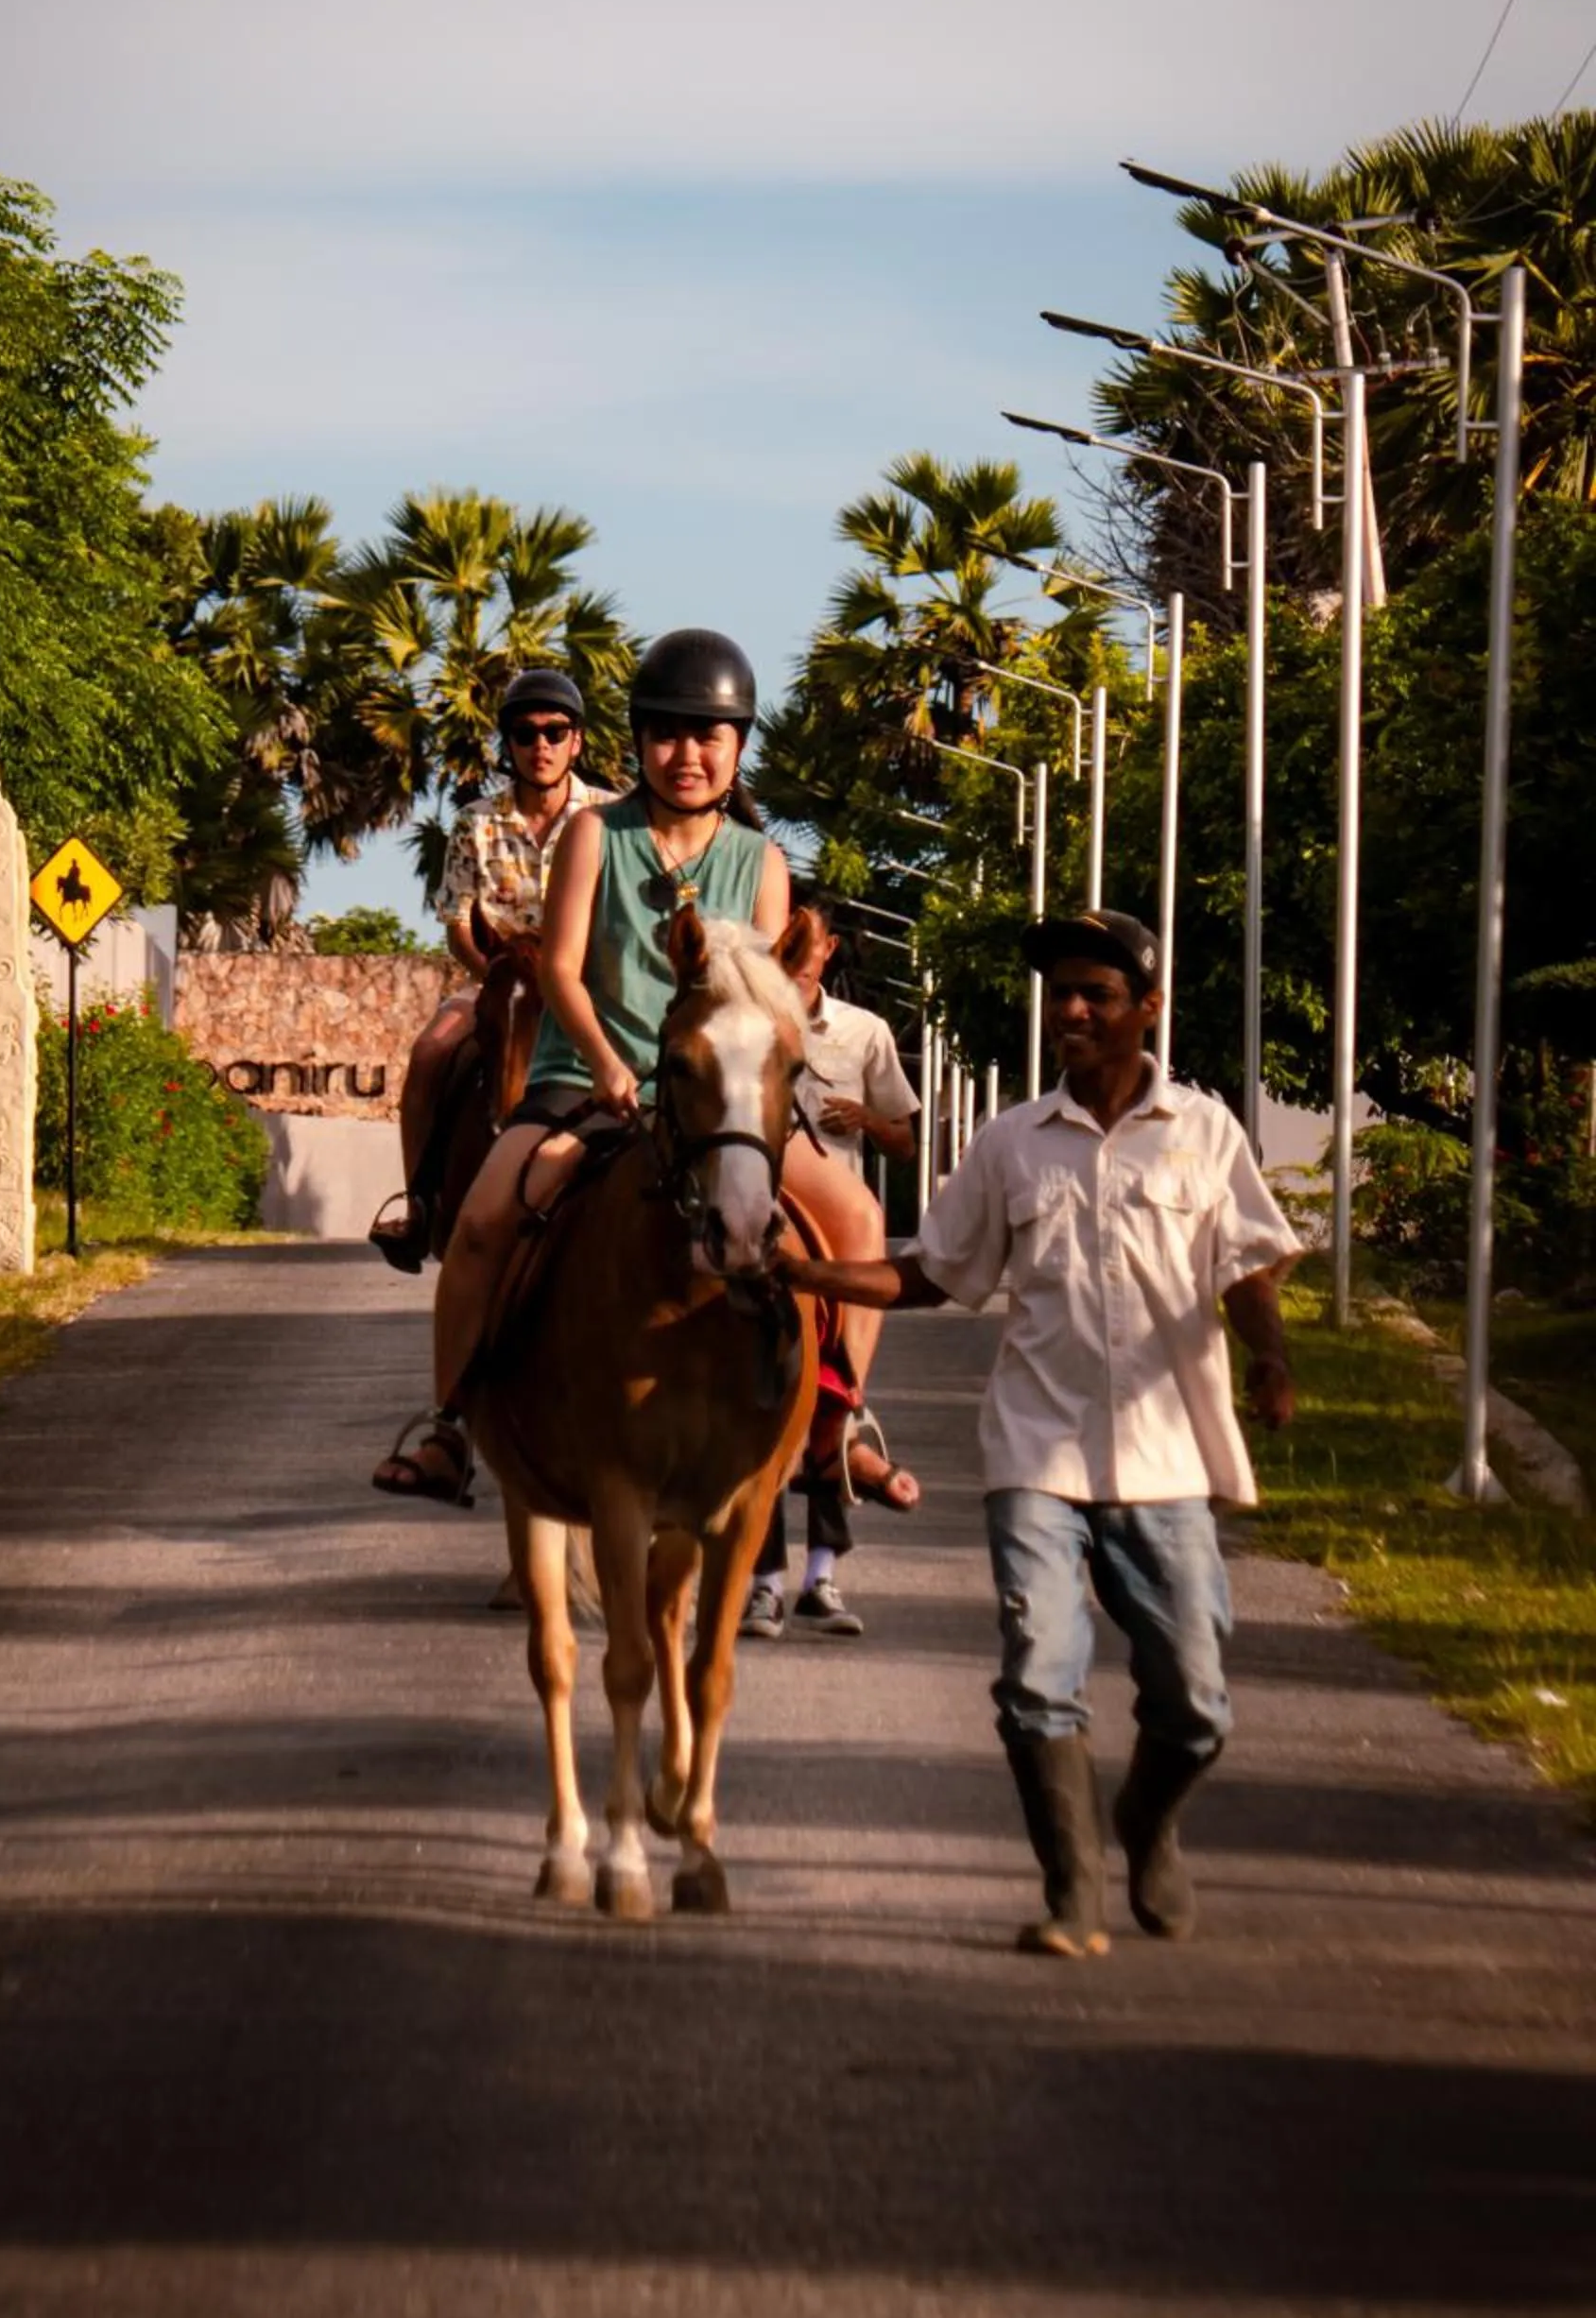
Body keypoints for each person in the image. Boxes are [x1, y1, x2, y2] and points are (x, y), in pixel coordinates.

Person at [775, 907, 1298, 1956]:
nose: (1068, 1011)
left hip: (1164, 1456)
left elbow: (1245, 1264)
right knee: (1036, 1670)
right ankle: (1071, 1893)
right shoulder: (1012, 1143)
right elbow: (934, 1270)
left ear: (1144, 1010)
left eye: (1093, 995)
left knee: (1194, 1700)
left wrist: (1270, 1360)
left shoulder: (1203, 1132)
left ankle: (1144, 1824)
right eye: (1058, 992)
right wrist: (806, 1274)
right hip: (1036, 1453)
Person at [372, 628, 896, 1505]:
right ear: (639, 740)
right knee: (483, 1220)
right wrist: (609, 1063)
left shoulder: (762, 862)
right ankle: (451, 1423)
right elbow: (562, 970)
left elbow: (764, 1000)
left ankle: (835, 1426)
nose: (686, 755)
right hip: (585, 1084)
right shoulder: (591, 835)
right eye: (667, 734)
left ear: (737, 748)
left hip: (718, 1100)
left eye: (708, 737)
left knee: (856, 1215)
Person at [369, 669, 610, 1279]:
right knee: (430, 1053)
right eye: (526, 733)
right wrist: (502, 978)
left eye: (556, 732)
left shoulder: (612, 817)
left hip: (586, 988)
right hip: (500, 979)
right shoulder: (474, 823)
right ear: (509, 744)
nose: (542, 745)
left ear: (576, 741)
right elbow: (456, 924)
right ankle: (420, 1204)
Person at [742, 890, 920, 1640]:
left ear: (827, 951)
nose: (792, 949)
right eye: (778, 934)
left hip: (834, 1210)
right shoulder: (743, 1013)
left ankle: (821, 1572)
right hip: (758, 1182)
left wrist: (868, 1122)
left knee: (823, 1395)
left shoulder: (865, 1034)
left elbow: (905, 1142)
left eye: (803, 940)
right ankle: (763, 1581)